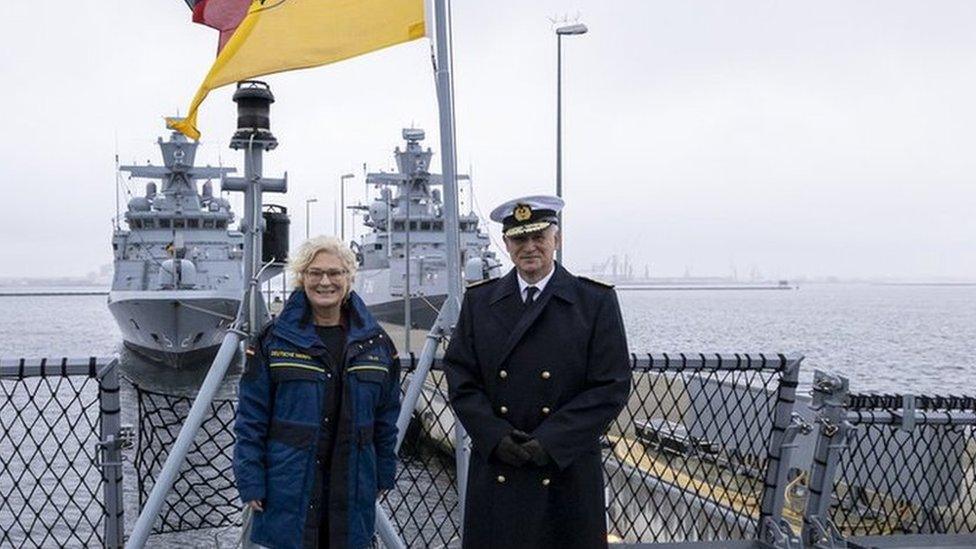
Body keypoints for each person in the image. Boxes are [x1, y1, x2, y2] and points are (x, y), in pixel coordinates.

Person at [444, 195, 632, 549]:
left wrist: (550, 442)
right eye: (519, 239)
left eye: (539, 237)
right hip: (500, 461)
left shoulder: (593, 302)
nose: (530, 247)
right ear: (506, 244)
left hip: (565, 467)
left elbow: (611, 385)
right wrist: (495, 436)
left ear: (556, 240)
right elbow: (461, 377)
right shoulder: (480, 302)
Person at [234, 236, 401, 549]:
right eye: (315, 273)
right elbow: (251, 418)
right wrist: (251, 480)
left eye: (335, 273)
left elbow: (386, 418)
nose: (325, 281)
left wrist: (384, 473)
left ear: (349, 279)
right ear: (302, 278)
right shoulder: (274, 341)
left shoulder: (377, 345)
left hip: (352, 486)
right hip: (289, 486)